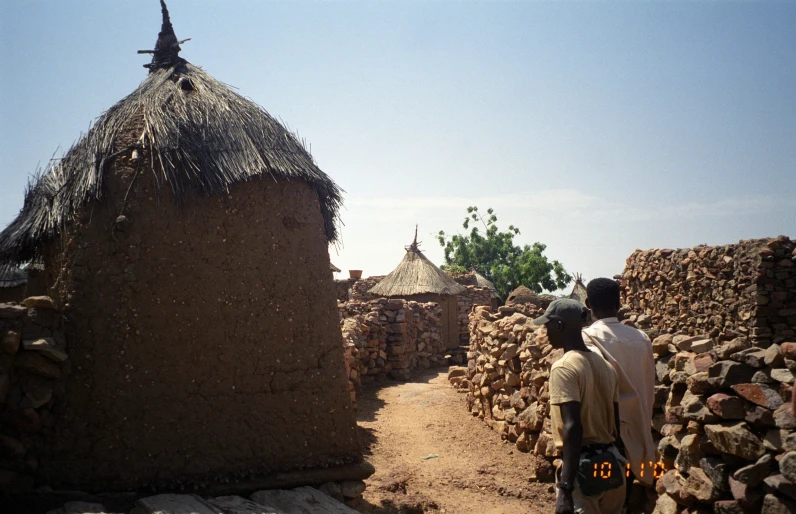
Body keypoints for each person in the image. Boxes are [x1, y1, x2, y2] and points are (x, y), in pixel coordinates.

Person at [534, 298, 626, 514]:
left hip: (584, 471)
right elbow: (616, 425)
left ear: (559, 325)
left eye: (548, 326)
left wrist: (565, 487)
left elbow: (573, 427)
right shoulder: (606, 366)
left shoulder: (563, 368)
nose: (545, 332)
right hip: (611, 465)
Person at [582, 278, 656, 506]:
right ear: (618, 303)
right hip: (640, 428)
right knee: (628, 495)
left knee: (607, 497)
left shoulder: (587, 338)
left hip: (608, 437)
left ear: (587, 304)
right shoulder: (642, 338)